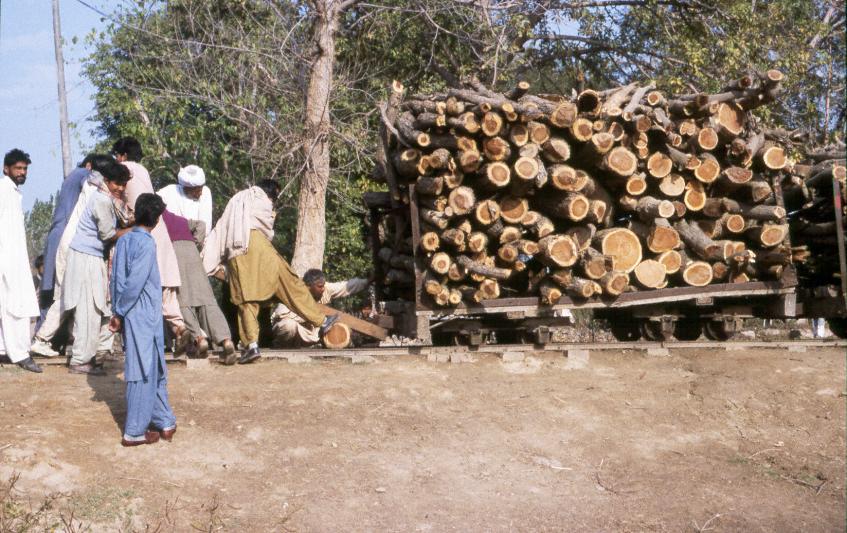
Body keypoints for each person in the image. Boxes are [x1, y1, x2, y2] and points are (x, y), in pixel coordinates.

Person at [202, 179, 338, 365]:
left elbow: (220, 231)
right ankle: (322, 320)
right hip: (262, 249)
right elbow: (267, 223)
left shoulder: (236, 202)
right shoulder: (259, 198)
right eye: (275, 196)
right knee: (291, 285)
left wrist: (209, 259)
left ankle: (252, 347)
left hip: (238, 254)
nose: (274, 201)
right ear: (269, 193)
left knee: (246, 301)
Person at [30, 157, 129, 359]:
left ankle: (69, 342)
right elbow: (109, 231)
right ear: (106, 178)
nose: (119, 188)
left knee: (71, 297)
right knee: (69, 297)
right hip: (77, 250)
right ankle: (44, 340)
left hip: (73, 246)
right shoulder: (97, 192)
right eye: (117, 182)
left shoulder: (90, 186)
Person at [110, 193, 176, 447]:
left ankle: (165, 421)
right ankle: (135, 431)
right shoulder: (147, 244)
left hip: (132, 315)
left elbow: (117, 281)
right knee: (142, 370)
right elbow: (135, 282)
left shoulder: (124, 241)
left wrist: (117, 312)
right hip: (143, 315)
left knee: (154, 367)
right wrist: (122, 312)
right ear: (157, 219)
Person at [113, 137, 187, 345]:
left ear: (123, 156)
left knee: (141, 287)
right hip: (158, 229)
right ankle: (181, 329)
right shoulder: (143, 170)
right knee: (167, 296)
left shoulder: (124, 170)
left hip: (142, 230)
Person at [62, 163, 133, 374]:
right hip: (86, 257)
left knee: (96, 309)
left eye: (123, 185)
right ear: (108, 182)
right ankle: (80, 361)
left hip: (90, 256)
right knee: (88, 309)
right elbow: (108, 235)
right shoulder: (102, 200)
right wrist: (134, 228)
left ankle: (87, 357)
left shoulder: (104, 197)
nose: (120, 188)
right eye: (117, 184)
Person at [38, 155, 113, 320]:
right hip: (66, 234)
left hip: (59, 232)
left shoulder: (74, 175)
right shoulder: (83, 175)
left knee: (53, 290)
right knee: (60, 292)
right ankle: (43, 334)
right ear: (89, 166)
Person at [160, 209, 235, 359]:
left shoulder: (155, 221)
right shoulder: (179, 219)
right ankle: (226, 341)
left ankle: (199, 340)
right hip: (192, 253)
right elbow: (201, 225)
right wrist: (196, 244)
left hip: (173, 255)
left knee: (183, 300)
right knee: (206, 299)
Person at [0, 149, 42, 373]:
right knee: (14, 305)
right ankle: (21, 354)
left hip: (13, 257)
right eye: (18, 168)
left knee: (10, 304)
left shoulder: (13, 192)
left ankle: (7, 351)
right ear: (6, 169)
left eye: (25, 169)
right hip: (6, 259)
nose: (22, 172)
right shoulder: (3, 190)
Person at [272, 269, 369, 347]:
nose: (323, 289)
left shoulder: (325, 288)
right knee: (289, 326)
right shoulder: (294, 292)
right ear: (308, 287)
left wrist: (368, 281)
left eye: (323, 286)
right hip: (292, 331)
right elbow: (280, 315)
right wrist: (310, 316)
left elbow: (345, 286)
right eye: (319, 287)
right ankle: (282, 347)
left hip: (310, 332)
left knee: (331, 327)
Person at [157, 164, 213, 236]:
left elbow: (205, 227)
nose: (201, 193)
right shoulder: (170, 191)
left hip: (195, 240)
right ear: (186, 188)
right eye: (197, 191)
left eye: (201, 189)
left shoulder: (205, 192)